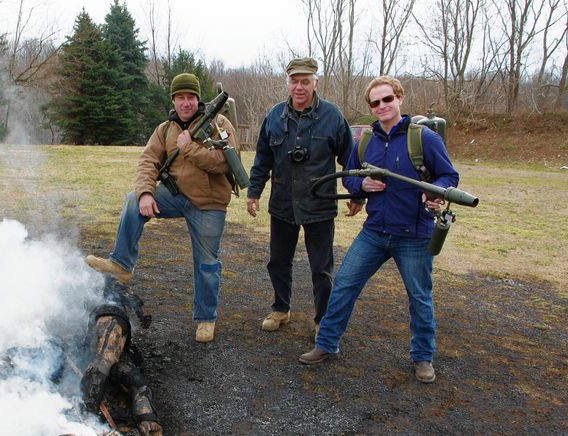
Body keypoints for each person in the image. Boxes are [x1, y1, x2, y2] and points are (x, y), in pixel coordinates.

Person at [299, 76, 460, 384]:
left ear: (399, 98)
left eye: (387, 99)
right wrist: (362, 184)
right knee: (344, 283)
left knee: (419, 297)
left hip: (413, 234)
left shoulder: (423, 138)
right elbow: (348, 178)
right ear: (370, 107)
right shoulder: (365, 142)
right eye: (375, 102)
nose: (382, 106)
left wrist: (436, 191)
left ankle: (423, 357)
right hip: (374, 231)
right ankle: (326, 344)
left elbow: (448, 175)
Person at [85, 73, 236, 344]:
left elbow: (224, 163)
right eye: (181, 97)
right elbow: (148, 161)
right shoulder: (165, 129)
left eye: (191, 97)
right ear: (174, 100)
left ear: (197, 99)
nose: (186, 102)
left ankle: (206, 318)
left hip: (209, 202)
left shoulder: (219, 123)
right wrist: (146, 193)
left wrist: (189, 149)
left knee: (207, 263)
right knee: (132, 200)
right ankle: (121, 264)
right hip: (177, 196)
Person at [247, 57, 354, 335]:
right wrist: (254, 192)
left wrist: (357, 194)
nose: (299, 87)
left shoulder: (332, 116)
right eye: (294, 81)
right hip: (282, 204)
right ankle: (281, 309)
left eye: (305, 81)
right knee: (278, 262)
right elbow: (262, 159)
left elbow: (350, 160)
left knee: (321, 268)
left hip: (320, 205)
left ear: (315, 83)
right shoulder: (273, 116)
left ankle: (323, 321)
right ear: (288, 83)